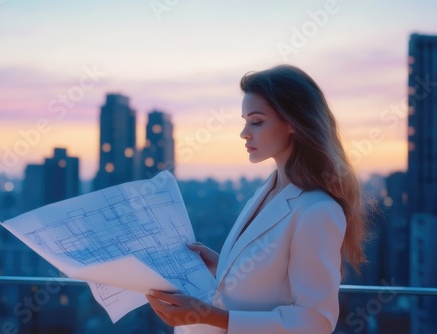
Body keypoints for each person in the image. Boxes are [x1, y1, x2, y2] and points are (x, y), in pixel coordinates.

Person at [146, 64, 368, 334]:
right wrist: (222, 265)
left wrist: (212, 317)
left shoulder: (318, 210)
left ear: (293, 124)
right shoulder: (267, 191)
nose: (244, 132)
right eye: (244, 120)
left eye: (257, 121)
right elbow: (270, 275)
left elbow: (315, 322)